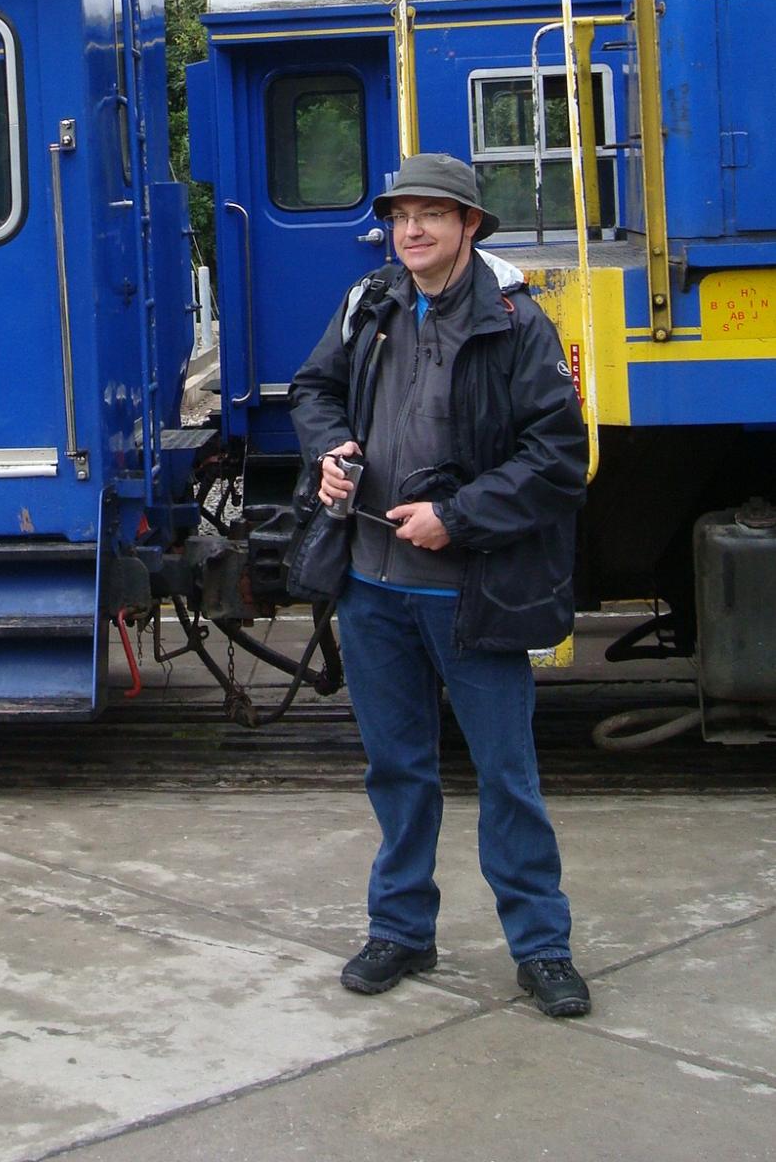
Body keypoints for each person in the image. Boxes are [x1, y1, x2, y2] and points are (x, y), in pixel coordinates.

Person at [288, 153, 591, 1018]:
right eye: (400, 216)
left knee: (507, 775)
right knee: (398, 769)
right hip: (373, 583)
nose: (411, 230)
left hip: (471, 590)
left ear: (468, 227)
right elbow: (314, 390)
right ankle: (402, 930)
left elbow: (557, 458)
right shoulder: (370, 302)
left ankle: (540, 948)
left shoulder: (515, 322)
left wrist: (457, 517)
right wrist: (333, 452)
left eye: (432, 215)